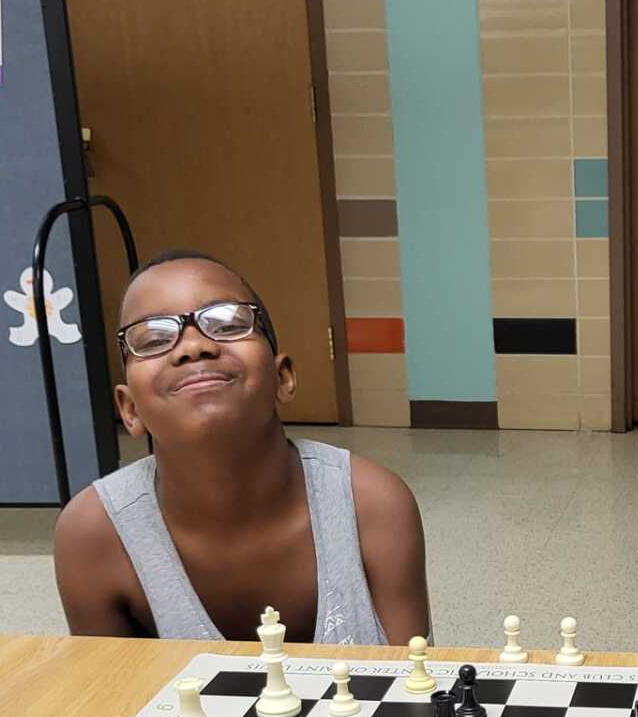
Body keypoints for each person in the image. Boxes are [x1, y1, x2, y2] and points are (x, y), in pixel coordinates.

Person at [54, 251, 429, 644]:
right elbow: (111, 698)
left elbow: (415, 686)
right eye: (153, 339)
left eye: (228, 324)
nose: (193, 346)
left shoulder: (372, 505)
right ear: (129, 409)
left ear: (282, 377)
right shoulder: (94, 534)